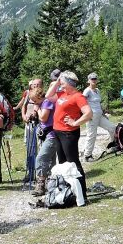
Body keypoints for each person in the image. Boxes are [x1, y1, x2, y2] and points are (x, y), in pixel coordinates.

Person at [49, 71, 92, 202]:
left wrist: (75, 122)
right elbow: (48, 95)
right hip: (58, 131)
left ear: (69, 83)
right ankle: (68, 191)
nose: (60, 82)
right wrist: (57, 82)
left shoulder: (78, 96)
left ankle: (82, 194)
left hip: (69, 133)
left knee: (73, 163)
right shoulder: (63, 94)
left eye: (62, 81)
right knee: (62, 163)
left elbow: (88, 113)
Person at [32, 81, 59, 196]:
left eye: (34, 100)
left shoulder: (47, 102)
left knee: (41, 158)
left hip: (52, 136)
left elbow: (43, 118)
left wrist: (37, 109)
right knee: (51, 161)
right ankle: (52, 184)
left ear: (39, 97)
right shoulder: (44, 102)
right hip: (49, 135)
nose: (34, 103)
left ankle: (41, 185)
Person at [82, 72, 116, 162]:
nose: (94, 80)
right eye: (92, 79)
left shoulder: (97, 90)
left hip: (99, 115)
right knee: (91, 135)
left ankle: (114, 144)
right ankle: (87, 155)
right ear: (88, 80)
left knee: (112, 127)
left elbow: (98, 103)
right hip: (91, 117)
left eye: (95, 79)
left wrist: (104, 114)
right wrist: (86, 115)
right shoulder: (87, 91)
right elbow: (82, 103)